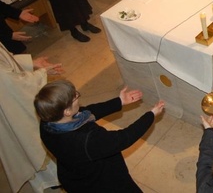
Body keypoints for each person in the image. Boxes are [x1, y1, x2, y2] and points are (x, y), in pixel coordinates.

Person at [34, 80, 165, 192]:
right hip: (102, 183)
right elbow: (124, 138)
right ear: (67, 111)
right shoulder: (85, 141)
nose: (78, 96)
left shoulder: (48, 121)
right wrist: (151, 115)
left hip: (74, 176)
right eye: (75, 97)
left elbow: (87, 113)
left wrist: (119, 101)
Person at [0, 42, 62, 192]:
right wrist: (40, 73)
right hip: (10, 104)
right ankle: (52, 178)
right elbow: (10, 82)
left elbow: (3, 61)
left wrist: (31, 63)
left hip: (8, 98)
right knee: (29, 139)